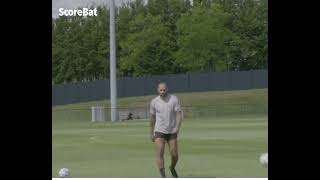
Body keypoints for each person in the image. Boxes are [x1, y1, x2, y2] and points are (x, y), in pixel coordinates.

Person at [150, 82, 183, 178]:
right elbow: (152, 118)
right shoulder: (154, 102)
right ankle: (163, 177)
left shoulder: (174, 99)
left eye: (164, 89)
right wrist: (151, 133)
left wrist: (177, 129)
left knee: (174, 155)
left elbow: (178, 115)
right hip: (159, 131)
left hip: (172, 131)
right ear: (158, 90)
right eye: (160, 90)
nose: (162, 91)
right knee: (159, 153)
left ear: (167, 89)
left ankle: (172, 167)